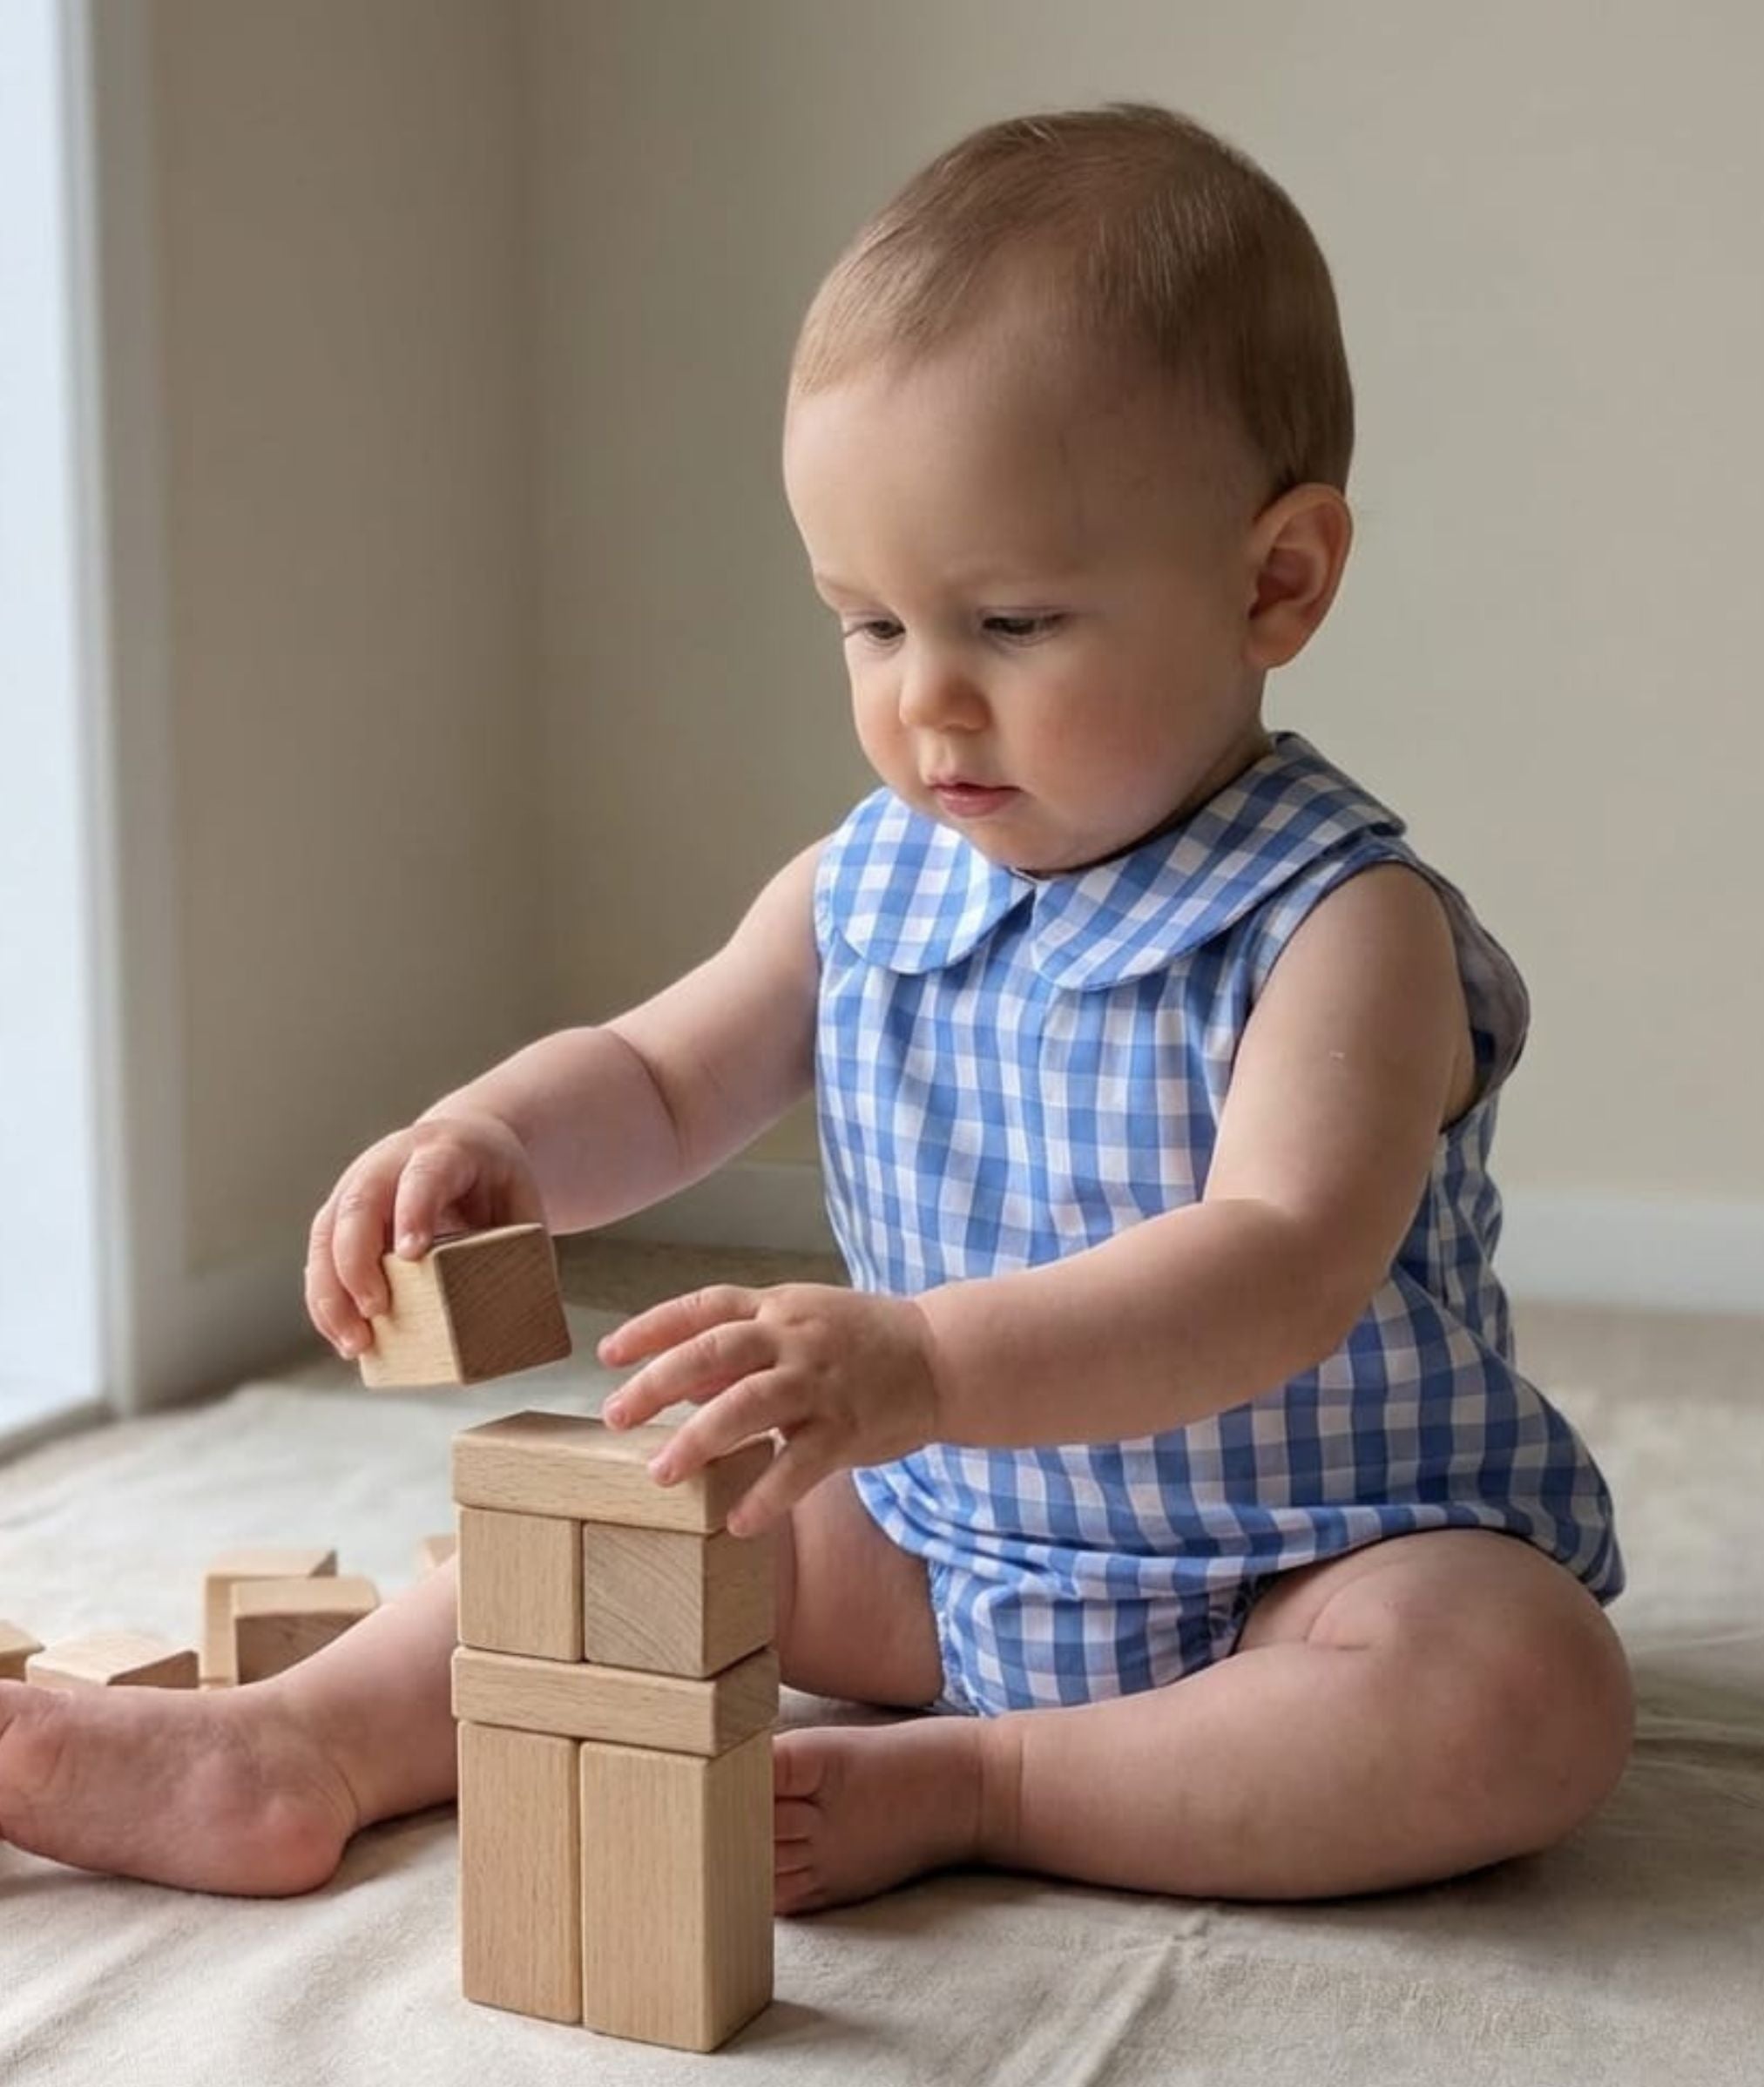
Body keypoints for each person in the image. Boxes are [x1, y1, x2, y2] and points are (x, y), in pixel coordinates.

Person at [0, 103, 1632, 1914]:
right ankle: (303, 1744)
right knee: (639, 1491)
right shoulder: (871, 881)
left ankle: (990, 1784)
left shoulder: (1340, 925)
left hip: (1300, 1563)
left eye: (1009, 626)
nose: (926, 705)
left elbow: (1273, 1261)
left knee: (1515, 1695)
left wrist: (919, 1364)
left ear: (1273, 581)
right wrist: (489, 1147)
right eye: (867, 626)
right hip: (931, 1545)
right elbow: (656, 1072)